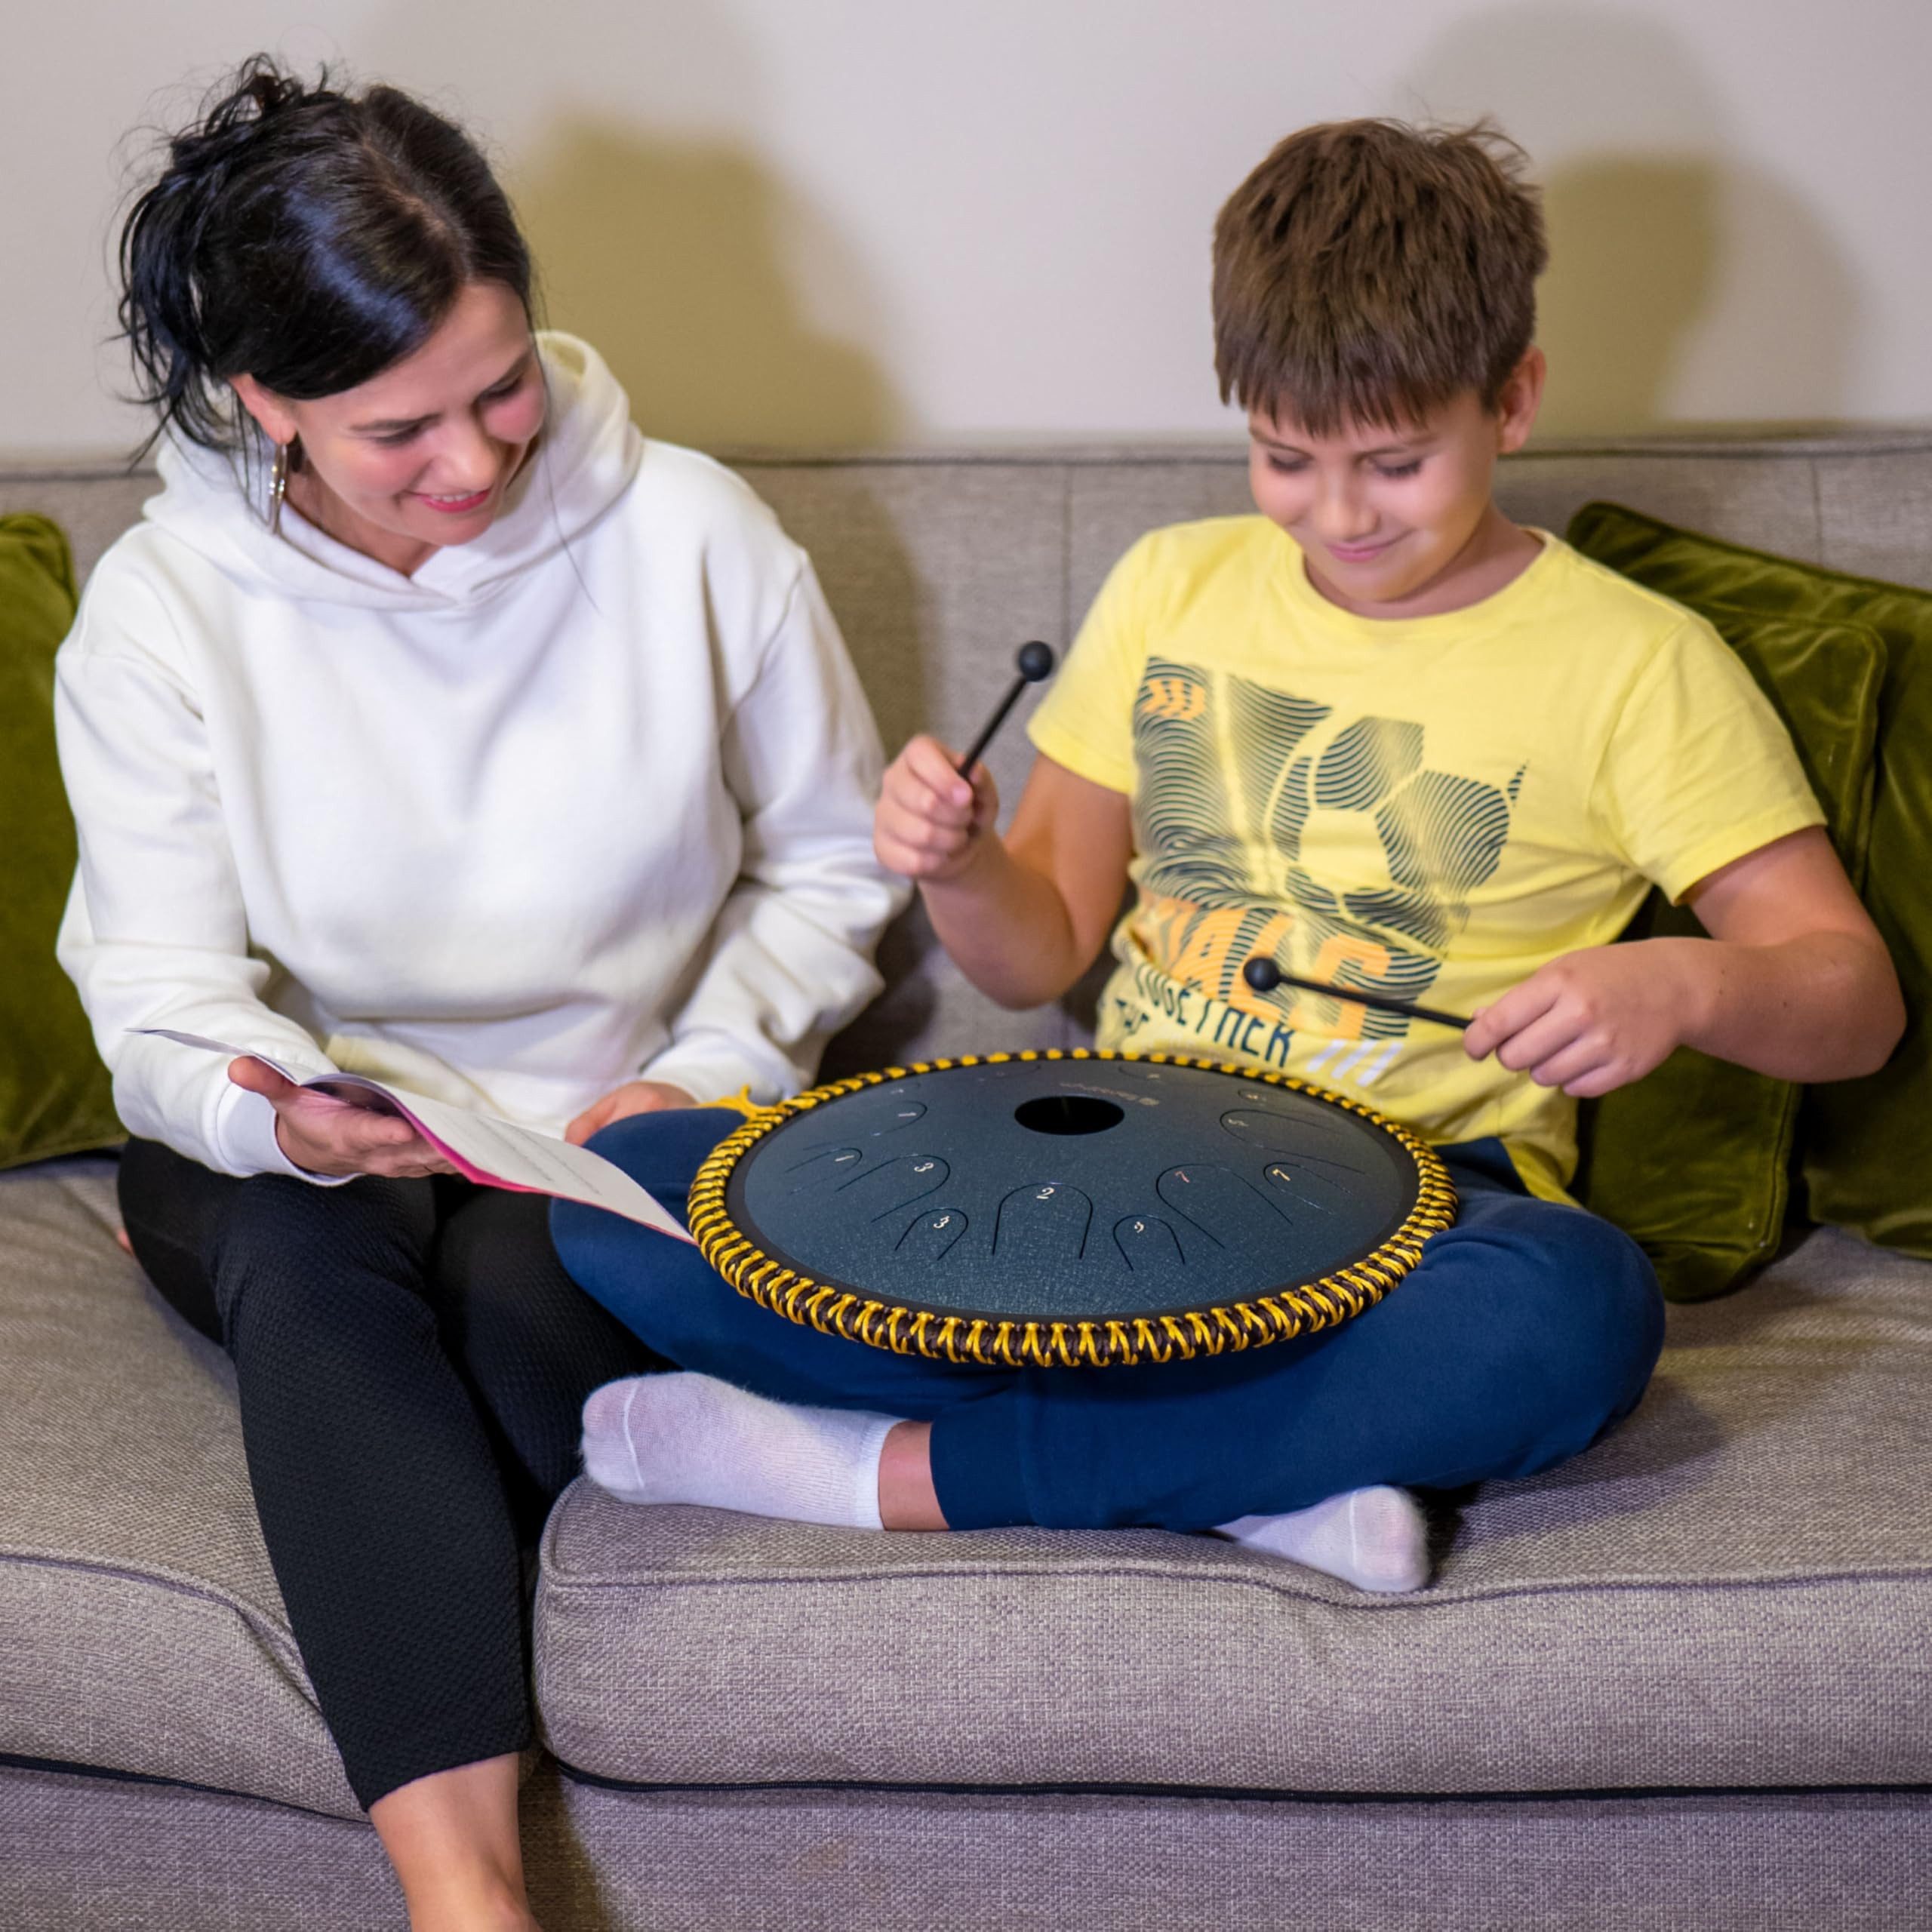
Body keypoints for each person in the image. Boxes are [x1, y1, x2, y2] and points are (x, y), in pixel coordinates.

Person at [553, 121, 1903, 1597]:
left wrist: (1677, 985)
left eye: (1393, 464)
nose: (1336, 518)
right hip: (1098, 1157)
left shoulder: (1639, 664)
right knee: (614, 1184)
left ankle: (885, 1472)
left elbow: (1850, 998)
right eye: (1283, 457)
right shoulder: (1169, 582)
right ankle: (1271, 1474)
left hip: (1415, 1202)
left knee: (1570, 1313)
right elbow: (1040, 947)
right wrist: (954, 863)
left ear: (1510, 400)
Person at [57, 57, 900, 1932]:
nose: (474, 462)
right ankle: (468, 1904)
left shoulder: (689, 535)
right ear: (263, 402)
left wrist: (694, 1071)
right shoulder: (165, 612)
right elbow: (162, 979)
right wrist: (271, 1101)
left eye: (499, 387)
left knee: (526, 1298)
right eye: (395, 429)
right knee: (314, 1248)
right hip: (292, 1133)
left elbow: (834, 861)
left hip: (608, 1139)